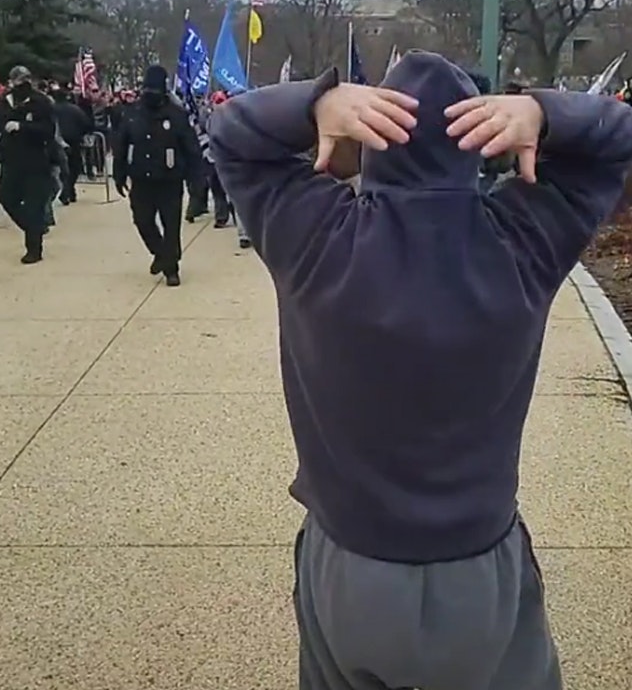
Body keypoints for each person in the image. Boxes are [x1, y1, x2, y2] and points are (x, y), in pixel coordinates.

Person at [213, 52, 632, 690]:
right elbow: (614, 143)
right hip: (477, 563)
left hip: (350, 560)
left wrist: (313, 104)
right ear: (478, 143)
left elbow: (232, 135)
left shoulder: (316, 237)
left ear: (373, 138)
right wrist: (544, 112)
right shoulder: (523, 241)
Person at [112, 65, 202, 285]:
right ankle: (161, 254)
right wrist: (119, 174)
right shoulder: (132, 113)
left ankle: (171, 268)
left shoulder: (177, 115)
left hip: (169, 179)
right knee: (142, 221)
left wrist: (196, 180)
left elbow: (192, 149)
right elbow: (121, 145)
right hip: (141, 179)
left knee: (171, 225)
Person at [0, 66, 58, 264]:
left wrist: (22, 127)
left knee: (34, 205)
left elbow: (48, 130)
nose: (20, 85)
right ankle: (34, 227)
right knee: (6, 197)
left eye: (24, 80)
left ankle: (34, 248)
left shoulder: (41, 102)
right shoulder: (3, 103)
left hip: (36, 161)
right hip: (11, 160)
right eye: (17, 81)